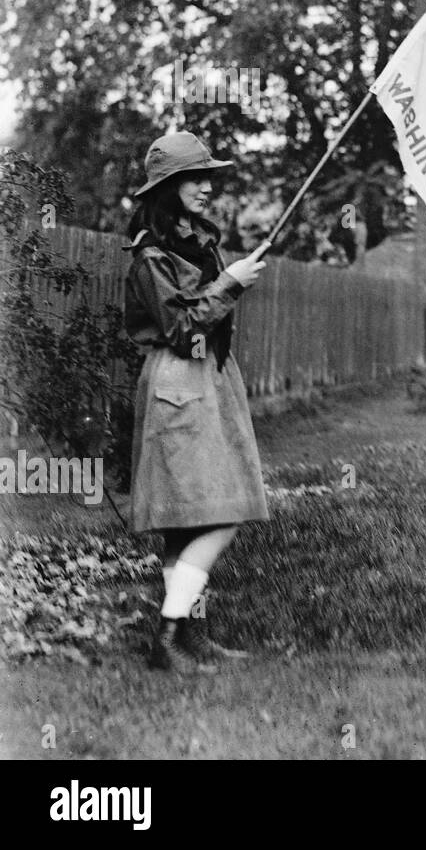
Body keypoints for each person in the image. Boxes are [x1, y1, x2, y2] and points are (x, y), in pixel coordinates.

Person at [122, 132, 269, 673]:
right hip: (178, 379)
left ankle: (189, 636)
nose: (207, 187)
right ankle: (166, 637)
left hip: (210, 377)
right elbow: (182, 327)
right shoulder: (151, 255)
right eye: (196, 178)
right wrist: (230, 283)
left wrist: (226, 277)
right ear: (169, 188)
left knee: (190, 520)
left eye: (209, 177)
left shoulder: (196, 241)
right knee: (223, 510)